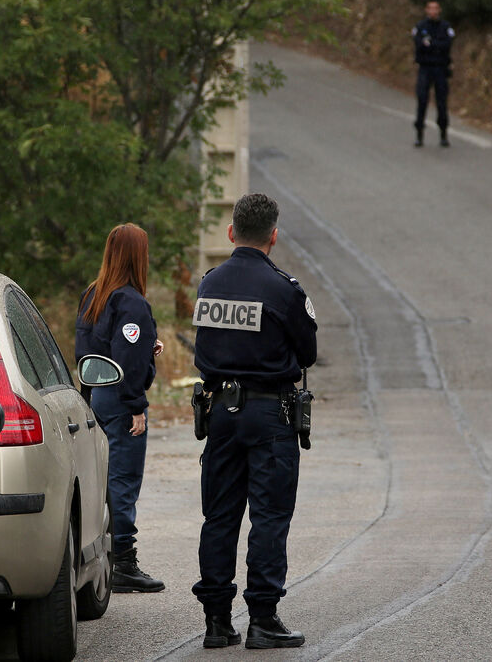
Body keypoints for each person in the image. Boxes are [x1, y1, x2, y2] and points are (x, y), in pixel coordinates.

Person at [191, 193, 318, 649]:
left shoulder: (209, 284)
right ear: (273, 236)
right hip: (269, 415)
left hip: (220, 413)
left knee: (219, 516)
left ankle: (216, 622)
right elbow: (308, 354)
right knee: (269, 516)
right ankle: (262, 619)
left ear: (231, 232)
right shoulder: (284, 289)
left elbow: (204, 348)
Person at [75, 223, 165, 593]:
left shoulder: (92, 294)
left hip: (95, 396)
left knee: (100, 478)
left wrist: (146, 346)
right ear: (137, 257)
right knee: (123, 480)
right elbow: (127, 363)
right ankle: (123, 562)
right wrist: (137, 407)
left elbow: (91, 349)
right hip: (120, 400)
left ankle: (102, 554)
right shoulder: (132, 303)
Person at [412, 0, 455, 147]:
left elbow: (447, 45)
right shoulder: (420, 26)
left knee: (442, 102)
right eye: (430, 8)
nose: (433, 11)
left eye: (435, 8)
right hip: (425, 68)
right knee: (422, 100)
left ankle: (443, 134)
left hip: (440, 69)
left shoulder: (445, 27)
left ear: (439, 10)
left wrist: (431, 44)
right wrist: (433, 45)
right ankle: (419, 134)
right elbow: (419, 44)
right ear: (426, 10)